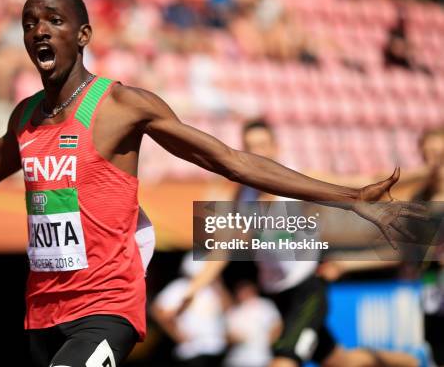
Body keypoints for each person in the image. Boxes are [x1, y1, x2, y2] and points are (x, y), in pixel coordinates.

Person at [0, 0, 426, 367]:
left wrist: (347, 196)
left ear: (84, 34)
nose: (40, 31)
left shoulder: (120, 106)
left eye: (54, 20)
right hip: (42, 308)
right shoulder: (23, 117)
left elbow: (228, 159)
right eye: (30, 23)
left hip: (108, 305)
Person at [180, 120, 423, 367]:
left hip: (308, 287)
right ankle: (407, 362)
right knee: (341, 361)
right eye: (251, 147)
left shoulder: (299, 180)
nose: (258, 153)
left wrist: (426, 171)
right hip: (278, 295)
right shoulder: (241, 195)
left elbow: (362, 183)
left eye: (263, 145)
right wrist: (194, 287)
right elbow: (222, 248)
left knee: (284, 361)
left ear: (275, 148)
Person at [151, 252, 227, 367]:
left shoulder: (212, 288)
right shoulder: (179, 287)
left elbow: (228, 308)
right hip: (192, 349)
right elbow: (158, 312)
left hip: (215, 347)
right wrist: (176, 334)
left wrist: (218, 285)